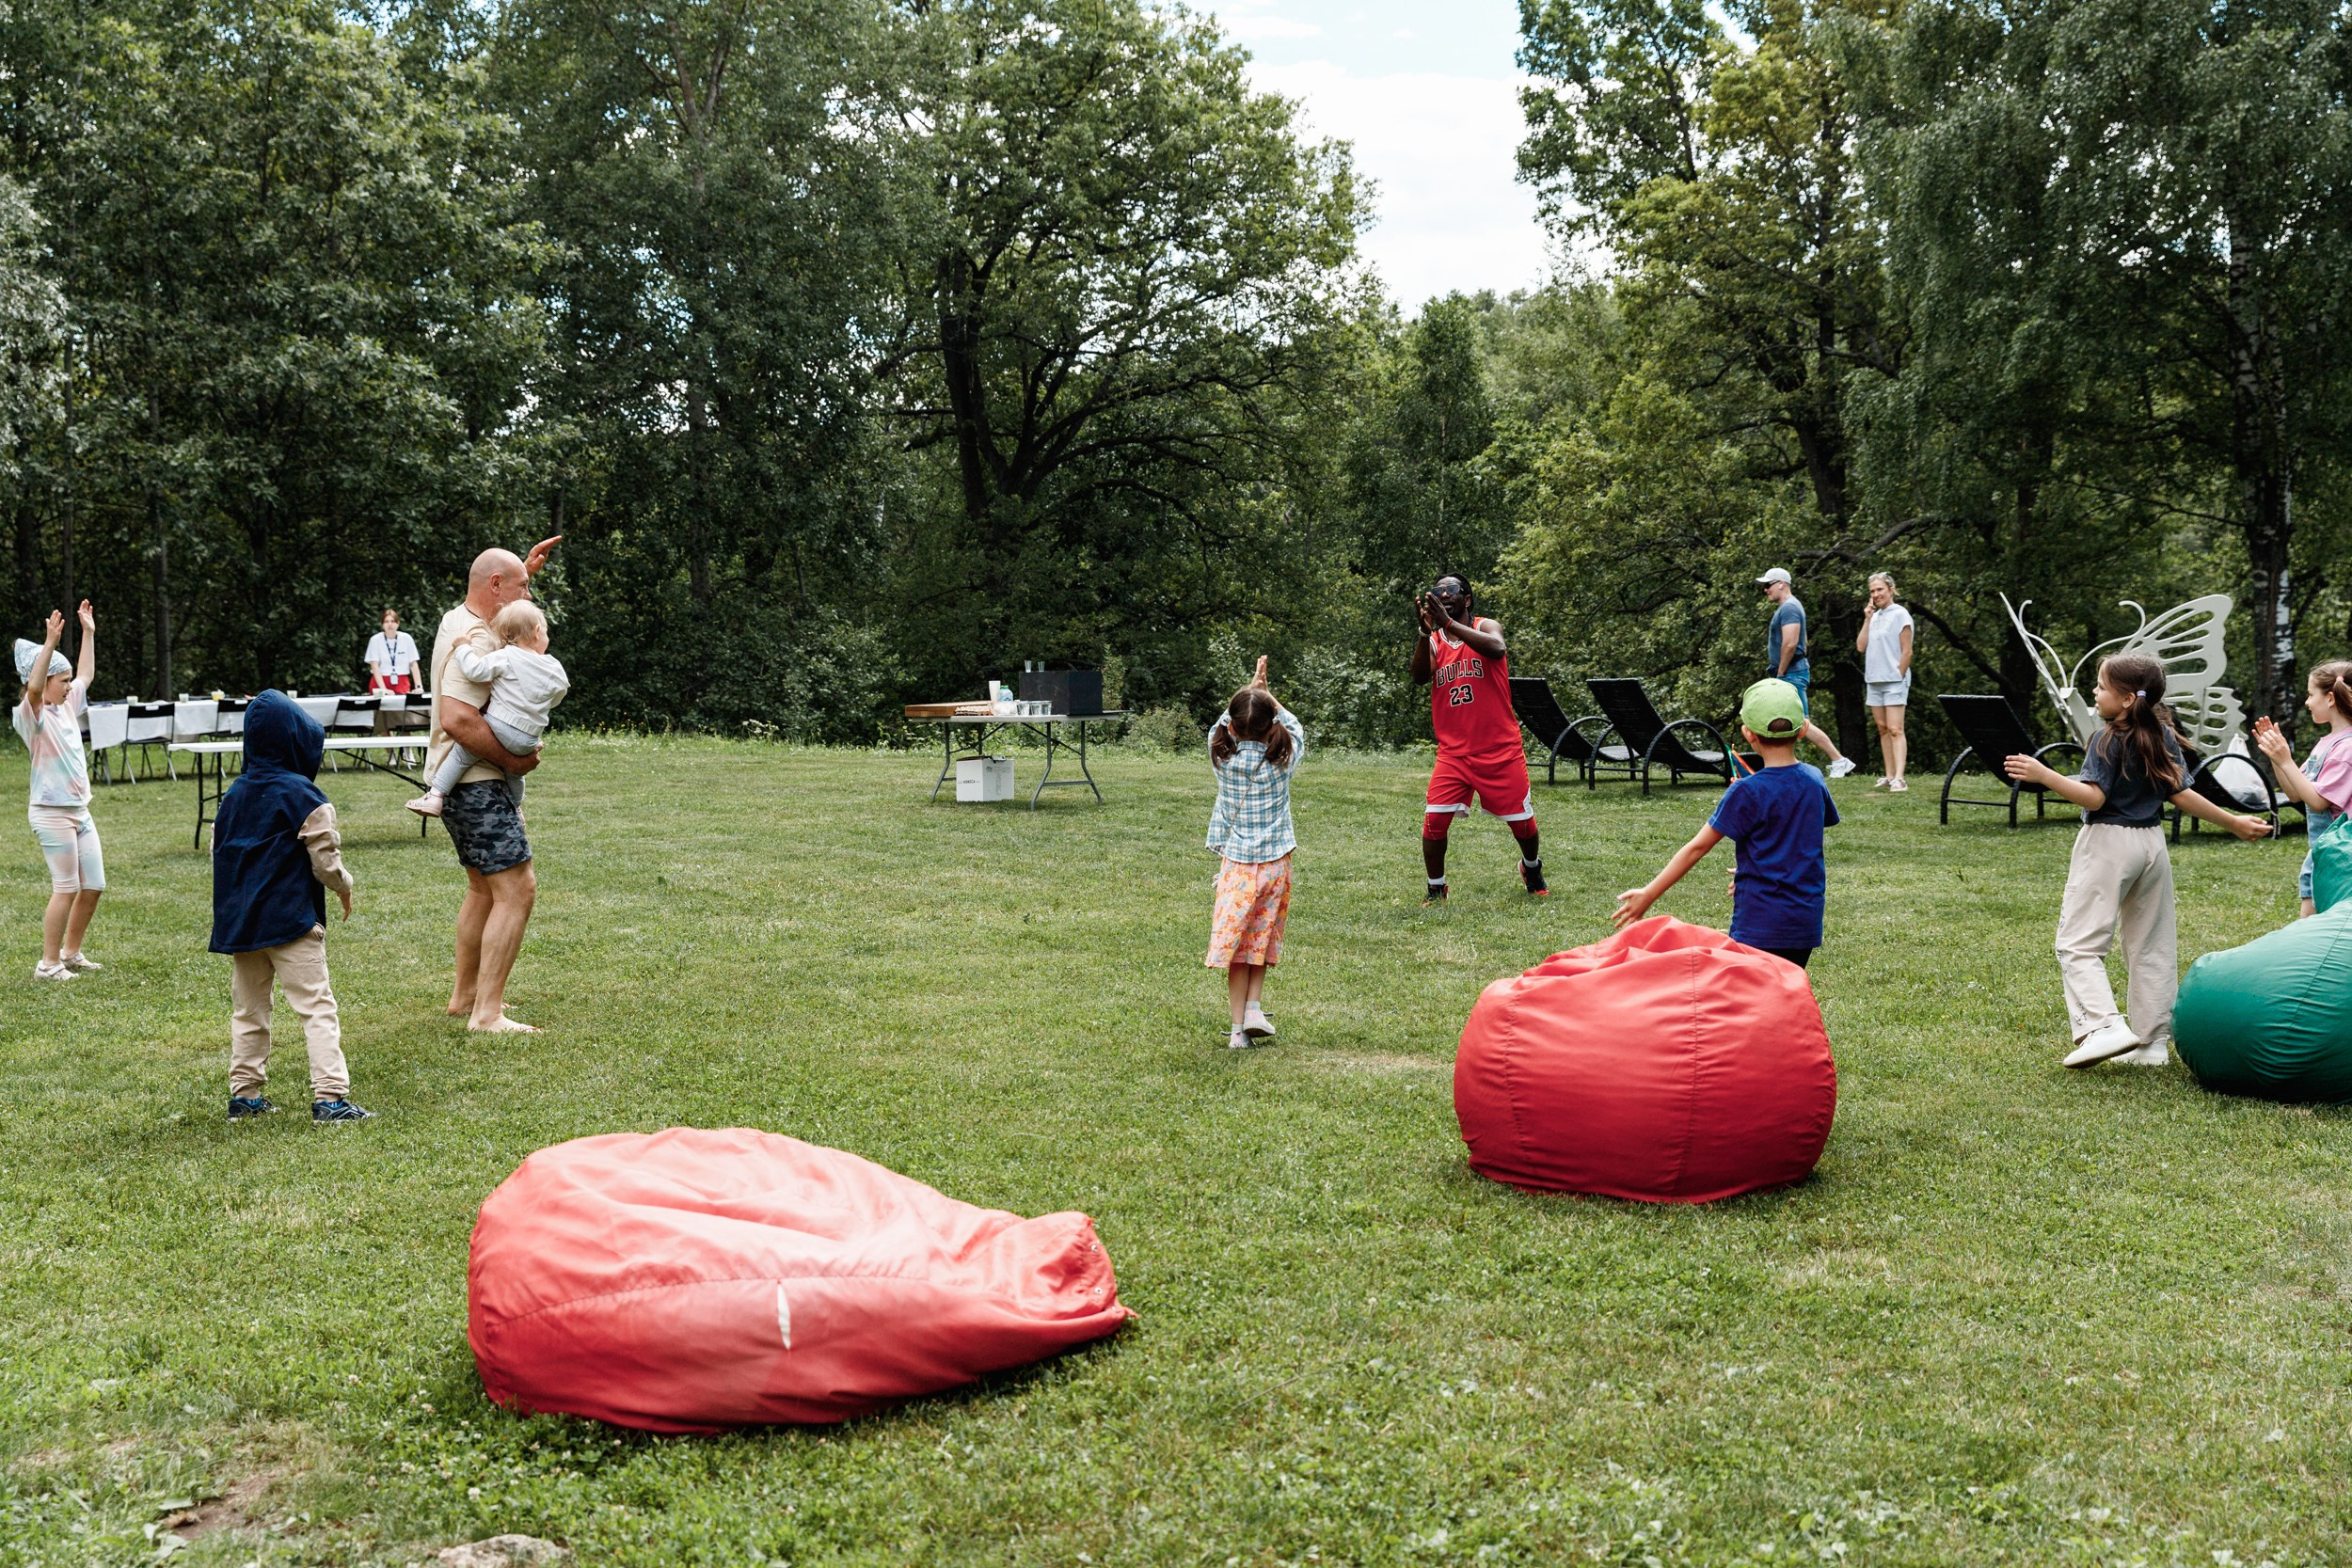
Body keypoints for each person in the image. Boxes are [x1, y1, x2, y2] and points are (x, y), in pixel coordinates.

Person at [2003, 653, 2274, 1069]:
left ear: (2128, 699)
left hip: (2108, 843)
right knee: (2151, 945)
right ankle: (2151, 1044)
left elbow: (2095, 797)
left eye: (2100, 687)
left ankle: (2103, 1026)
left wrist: (2045, 776)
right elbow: (2181, 794)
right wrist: (2233, 822)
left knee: (2077, 944)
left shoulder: (2105, 737)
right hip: (2152, 844)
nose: (2094, 692)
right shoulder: (2162, 734)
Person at [212, 691, 371, 1122]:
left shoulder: (232, 797)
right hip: (292, 922)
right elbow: (326, 863)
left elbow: (220, 856)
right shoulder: (306, 796)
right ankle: (331, 1099)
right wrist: (345, 887)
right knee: (316, 1008)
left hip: (244, 928)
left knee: (249, 1010)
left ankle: (245, 1097)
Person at [1612, 679, 1840, 968]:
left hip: (1760, 923)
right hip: (1804, 923)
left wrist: (1649, 893)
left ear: (1748, 734)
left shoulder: (1747, 790)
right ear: (1804, 730)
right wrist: (1755, 869)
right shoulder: (1813, 779)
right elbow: (1799, 841)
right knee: (1784, 994)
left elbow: (1697, 848)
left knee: (1752, 1001)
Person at [429, 537, 561, 1034]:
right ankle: (487, 1015)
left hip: (458, 779)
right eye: (522, 587)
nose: (529, 597)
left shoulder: (460, 619)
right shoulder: (481, 642)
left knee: (483, 889)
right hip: (476, 779)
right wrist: (515, 761)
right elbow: (458, 719)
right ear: (497, 587)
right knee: (516, 888)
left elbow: (509, 616)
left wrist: (522, 573)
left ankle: (465, 997)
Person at [1411, 575, 1545, 902]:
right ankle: (1436, 887)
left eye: (1451, 591)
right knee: (1434, 821)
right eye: (1438, 591)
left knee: (1523, 824)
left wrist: (1450, 625)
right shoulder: (1436, 640)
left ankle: (1531, 867)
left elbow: (1497, 649)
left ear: (1467, 600)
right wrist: (1425, 632)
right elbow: (1418, 676)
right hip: (1454, 753)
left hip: (1499, 747)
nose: (1444, 595)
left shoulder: (1486, 627)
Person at [1205, 656, 1304, 1051]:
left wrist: (1250, 690)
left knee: (1237, 950)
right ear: (1273, 726)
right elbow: (1295, 727)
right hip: (1275, 865)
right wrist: (1267, 696)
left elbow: (1219, 726)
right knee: (1259, 941)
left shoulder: (1222, 758)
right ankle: (1254, 1008)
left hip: (1237, 869)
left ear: (1231, 725)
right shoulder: (1283, 760)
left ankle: (1237, 1032)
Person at [406, 601, 568, 817]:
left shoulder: (507, 656)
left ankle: (435, 796)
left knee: (462, 754)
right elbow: (558, 696)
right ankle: (517, 808)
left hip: (499, 726)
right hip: (528, 739)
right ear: (538, 631)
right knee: (515, 773)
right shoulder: (553, 666)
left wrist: (463, 647)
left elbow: (475, 671)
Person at [13, 603, 103, 980]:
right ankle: (47, 965)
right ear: (46, 680)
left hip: (80, 810)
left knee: (93, 886)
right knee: (65, 888)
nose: (70, 686)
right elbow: (34, 688)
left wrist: (88, 633)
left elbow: (86, 673)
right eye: (62, 681)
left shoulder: (66, 706)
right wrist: (50, 642)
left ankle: (70, 953)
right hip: (51, 813)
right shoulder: (29, 715)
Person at [2251, 658, 2352, 916]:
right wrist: (2277, 759)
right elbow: (2296, 793)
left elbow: (2318, 802)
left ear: (2330, 698)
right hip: (2321, 851)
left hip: (2342, 856)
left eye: (2310, 695)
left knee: (2323, 928)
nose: (2307, 702)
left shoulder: (2346, 749)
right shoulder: (2327, 743)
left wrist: (2286, 759)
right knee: (2306, 924)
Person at [1756, 567, 1856, 778]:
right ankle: (1783, 764)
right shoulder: (1789, 607)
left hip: (1790, 673)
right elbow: (1804, 642)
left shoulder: (1790, 607)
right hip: (1790, 672)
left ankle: (1839, 760)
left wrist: (1781, 674)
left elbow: (1791, 643)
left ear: (1781, 583)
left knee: (1801, 722)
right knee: (1791, 721)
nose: (1766, 590)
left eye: (1768, 585)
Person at [1854, 572, 1914, 791]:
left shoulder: (1901, 614)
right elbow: (1861, 646)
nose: (1876, 594)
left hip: (1894, 680)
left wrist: (1898, 674)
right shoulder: (1875, 616)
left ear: (1891, 589)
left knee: (1896, 728)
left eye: (1880, 589)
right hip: (1874, 680)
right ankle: (1889, 775)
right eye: (1872, 591)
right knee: (1882, 728)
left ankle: (1900, 777)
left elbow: (1907, 651)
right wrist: (1867, 618)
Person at [365, 609, 421, 694]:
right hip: (380, 681)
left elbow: (413, 664)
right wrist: (383, 689)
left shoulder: (407, 639)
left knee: (401, 706)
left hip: (401, 681)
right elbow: (375, 666)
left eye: (392, 621)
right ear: (382, 624)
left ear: (398, 623)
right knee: (378, 706)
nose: (390, 624)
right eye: (386, 621)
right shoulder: (375, 640)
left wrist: (418, 686)